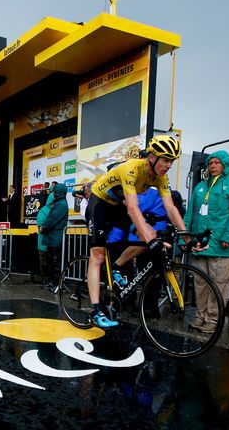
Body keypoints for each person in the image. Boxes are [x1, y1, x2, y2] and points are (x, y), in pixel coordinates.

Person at [85, 135, 187, 328]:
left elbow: (171, 208)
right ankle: (95, 310)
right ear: (151, 157)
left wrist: (187, 237)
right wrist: (150, 239)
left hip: (117, 207)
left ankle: (116, 266)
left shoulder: (160, 178)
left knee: (149, 235)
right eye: (165, 160)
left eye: (171, 161)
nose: (168, 166)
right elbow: (132, 208)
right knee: (97, 256)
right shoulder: (131, 168)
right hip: (99, 204)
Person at [184, 151, 229, 333]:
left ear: (225, 165)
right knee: (200, 283)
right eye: (210, 163)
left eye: (217, 163)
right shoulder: (200, 187)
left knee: (219, 284)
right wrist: (186, 236)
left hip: (221, 244)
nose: (213, 166)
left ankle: (213, 320)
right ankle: (200, 316)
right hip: (199, 245)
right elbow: (190, 213)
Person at [39, 183, 69, 289]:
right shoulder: (59, 203)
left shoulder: (60, 204)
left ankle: (54, 283)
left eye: (54, 192)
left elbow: (52, 219)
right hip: (54, 236)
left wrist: (44, 227)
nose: (53, 194)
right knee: (52, 261)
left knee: (54, 261)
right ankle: (52, 282)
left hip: (55, 237)